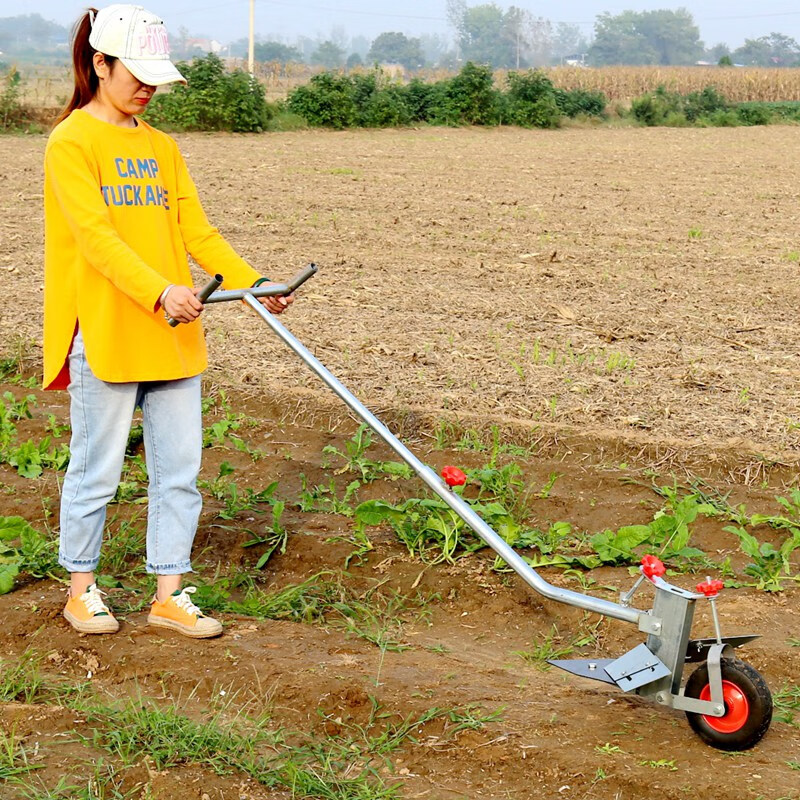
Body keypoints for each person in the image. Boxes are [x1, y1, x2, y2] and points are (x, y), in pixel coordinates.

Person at [44, 4, 292, 638]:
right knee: (95, 469)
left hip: (174, 333)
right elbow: (95, 239)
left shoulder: (160, 147)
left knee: (179, 472)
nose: (148, 87)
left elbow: (194, 229)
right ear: (100, 64)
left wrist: (252, 283)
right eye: (137, 73)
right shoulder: (72, 141)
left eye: (156, 76)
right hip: (107, 329)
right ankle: (81, 588)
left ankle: (168, 592)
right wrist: (159, 290)